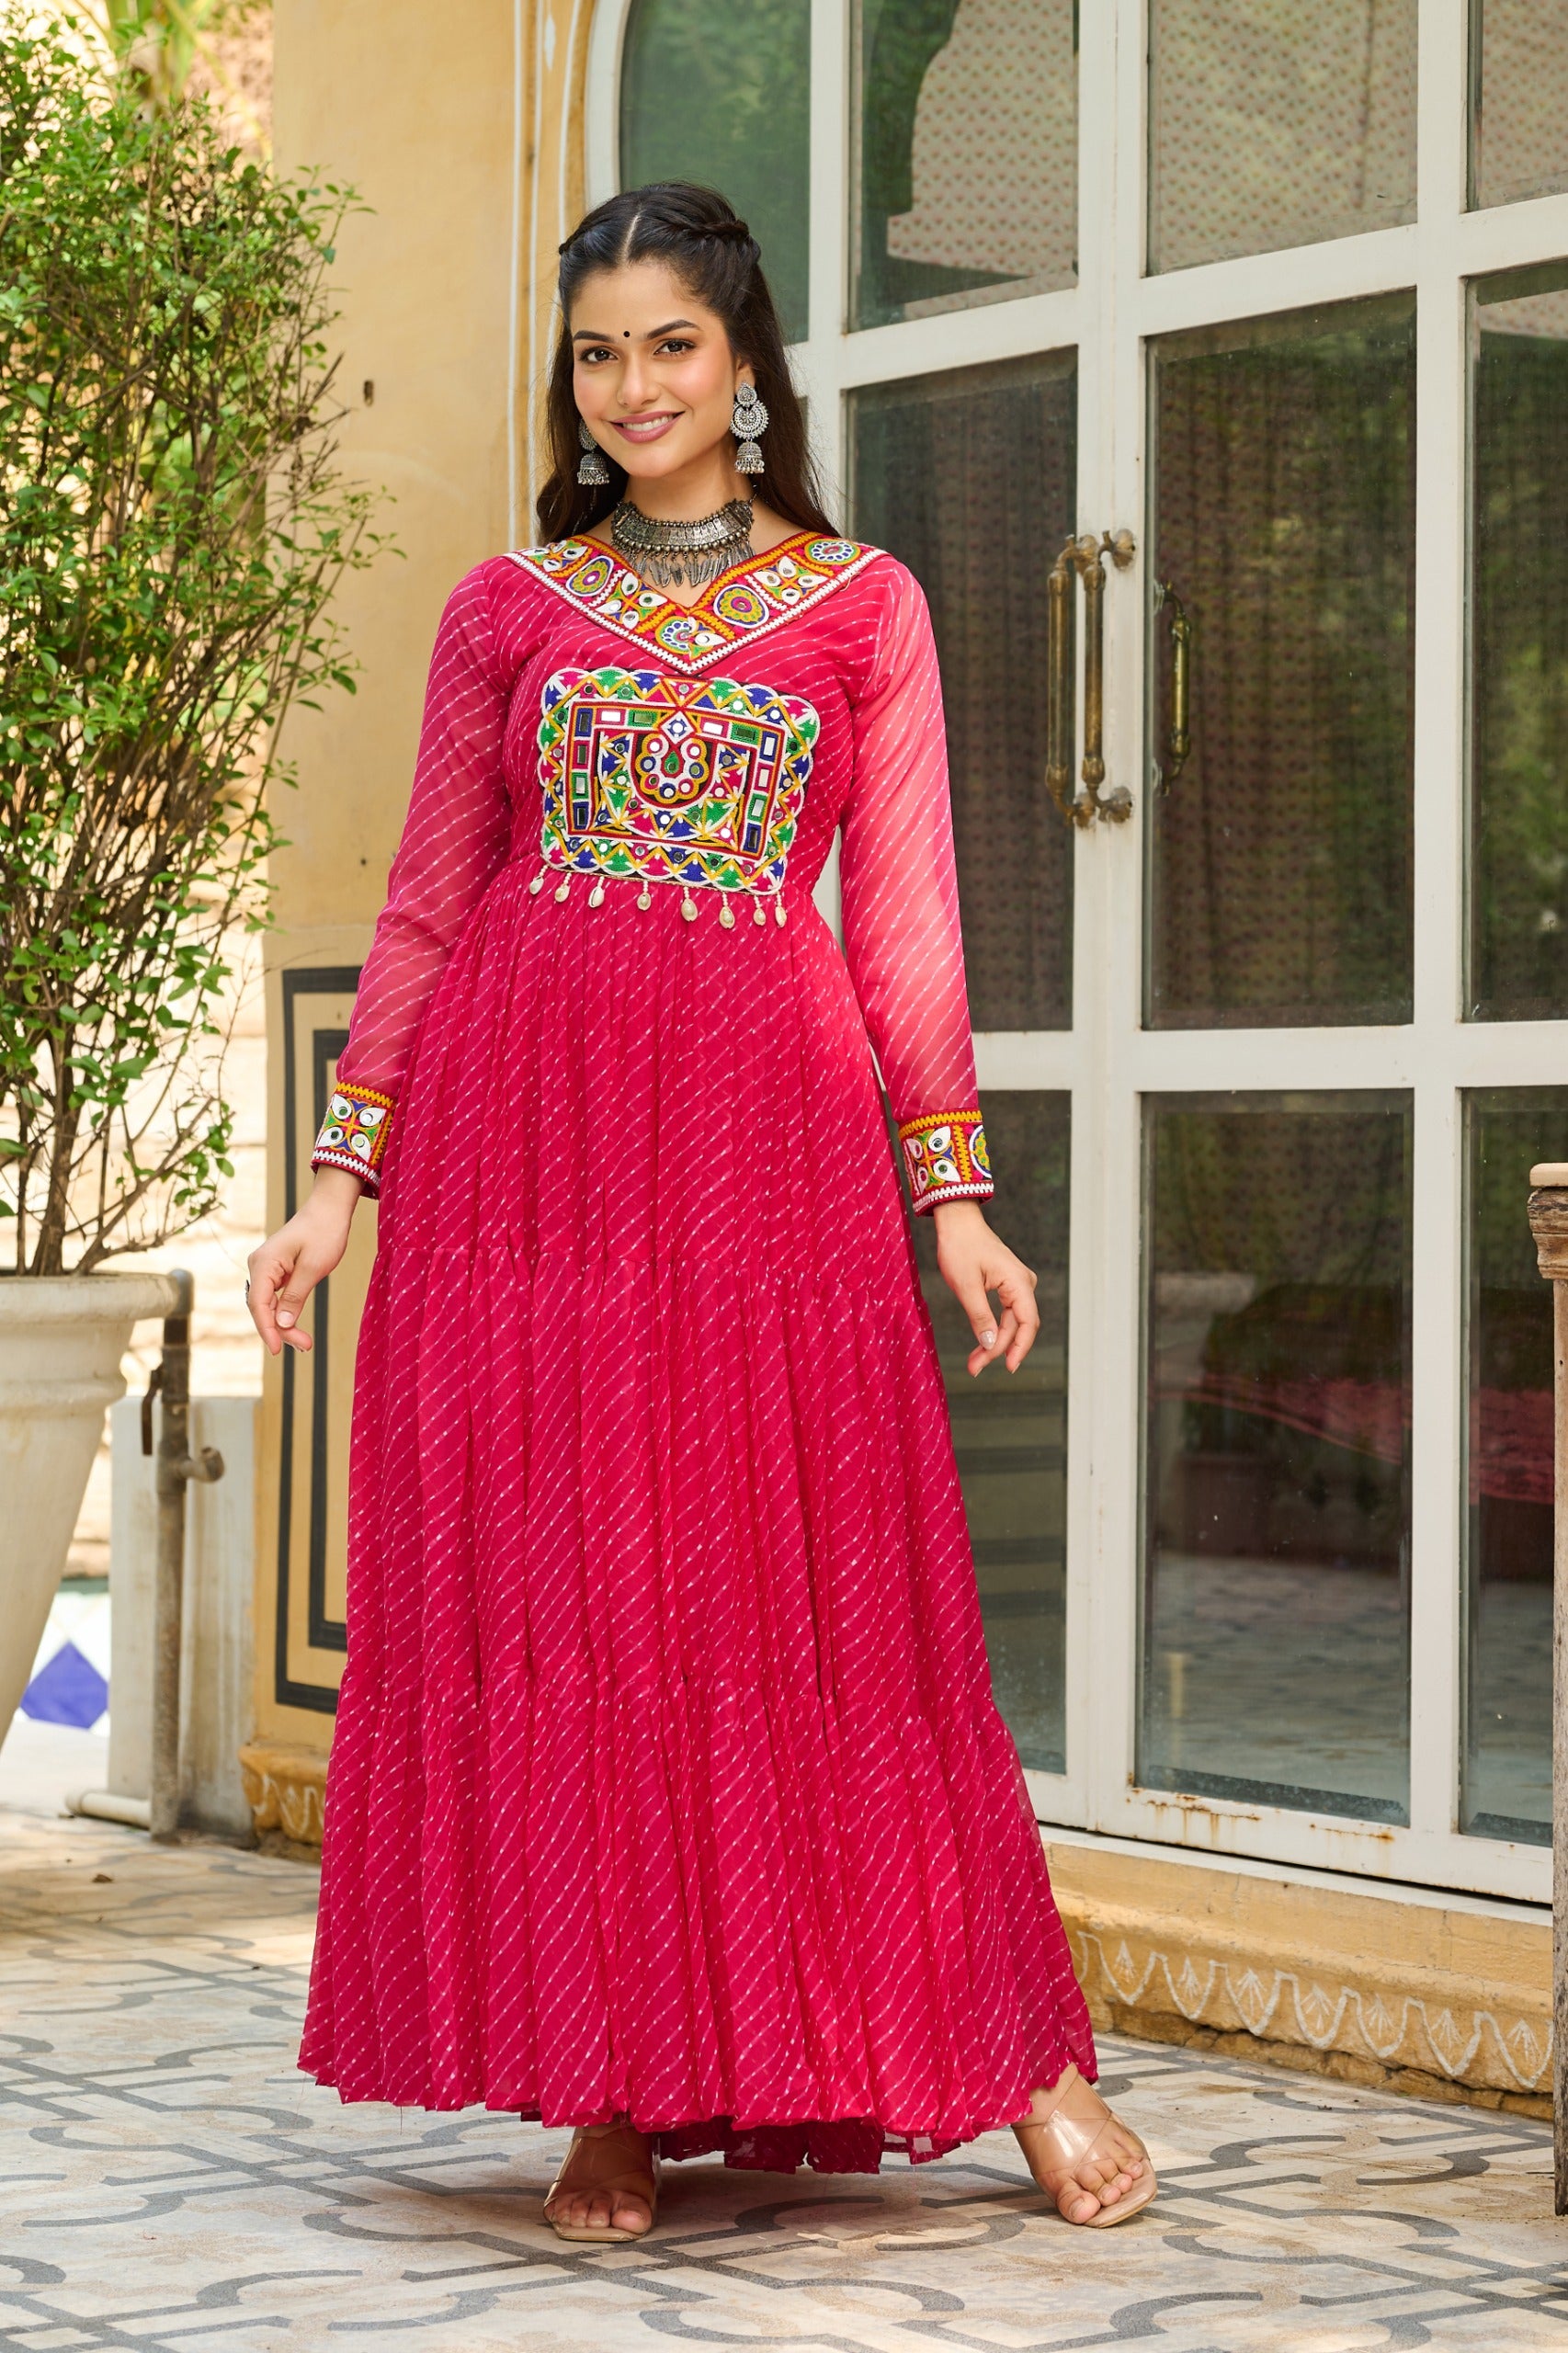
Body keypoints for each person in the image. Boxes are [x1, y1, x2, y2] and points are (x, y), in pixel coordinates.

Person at [246, 180, 1154, 2241]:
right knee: (576, 1596)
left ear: (745, 362)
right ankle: (610, 2086)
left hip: (765, 1141)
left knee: (834, 1589)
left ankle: (1020, 2053)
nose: (634, 383)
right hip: (520, 1158)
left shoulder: (860, 602)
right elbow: (424, 898)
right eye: (599, 350)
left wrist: (959, 1201)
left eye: (672, 342)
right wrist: (332, 1186)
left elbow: (905, 916)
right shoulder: (509, 605)